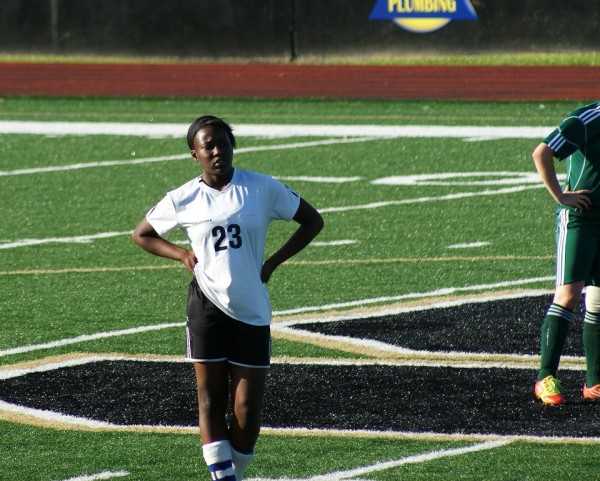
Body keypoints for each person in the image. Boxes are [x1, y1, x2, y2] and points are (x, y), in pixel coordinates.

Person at [132, 115, 324, 480]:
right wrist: (183, 254)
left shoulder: (262, 187)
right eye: (209, 146)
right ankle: (224, 478)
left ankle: (233, 473)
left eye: (224, 143)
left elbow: (313, 221)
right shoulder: (182, 197)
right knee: (209, 398)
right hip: (205, 306)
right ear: (195, 155)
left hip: (251, 307)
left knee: (247, 409)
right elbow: (142, 234)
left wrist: (272, 263)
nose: (218, 151)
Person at [532, 101, 600, 405]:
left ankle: (594, 383)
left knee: (598, 300)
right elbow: (541, 152)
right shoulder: (587, 118)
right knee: (569, 295)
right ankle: (545, 377)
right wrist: (561, 196)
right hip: (580, 220)